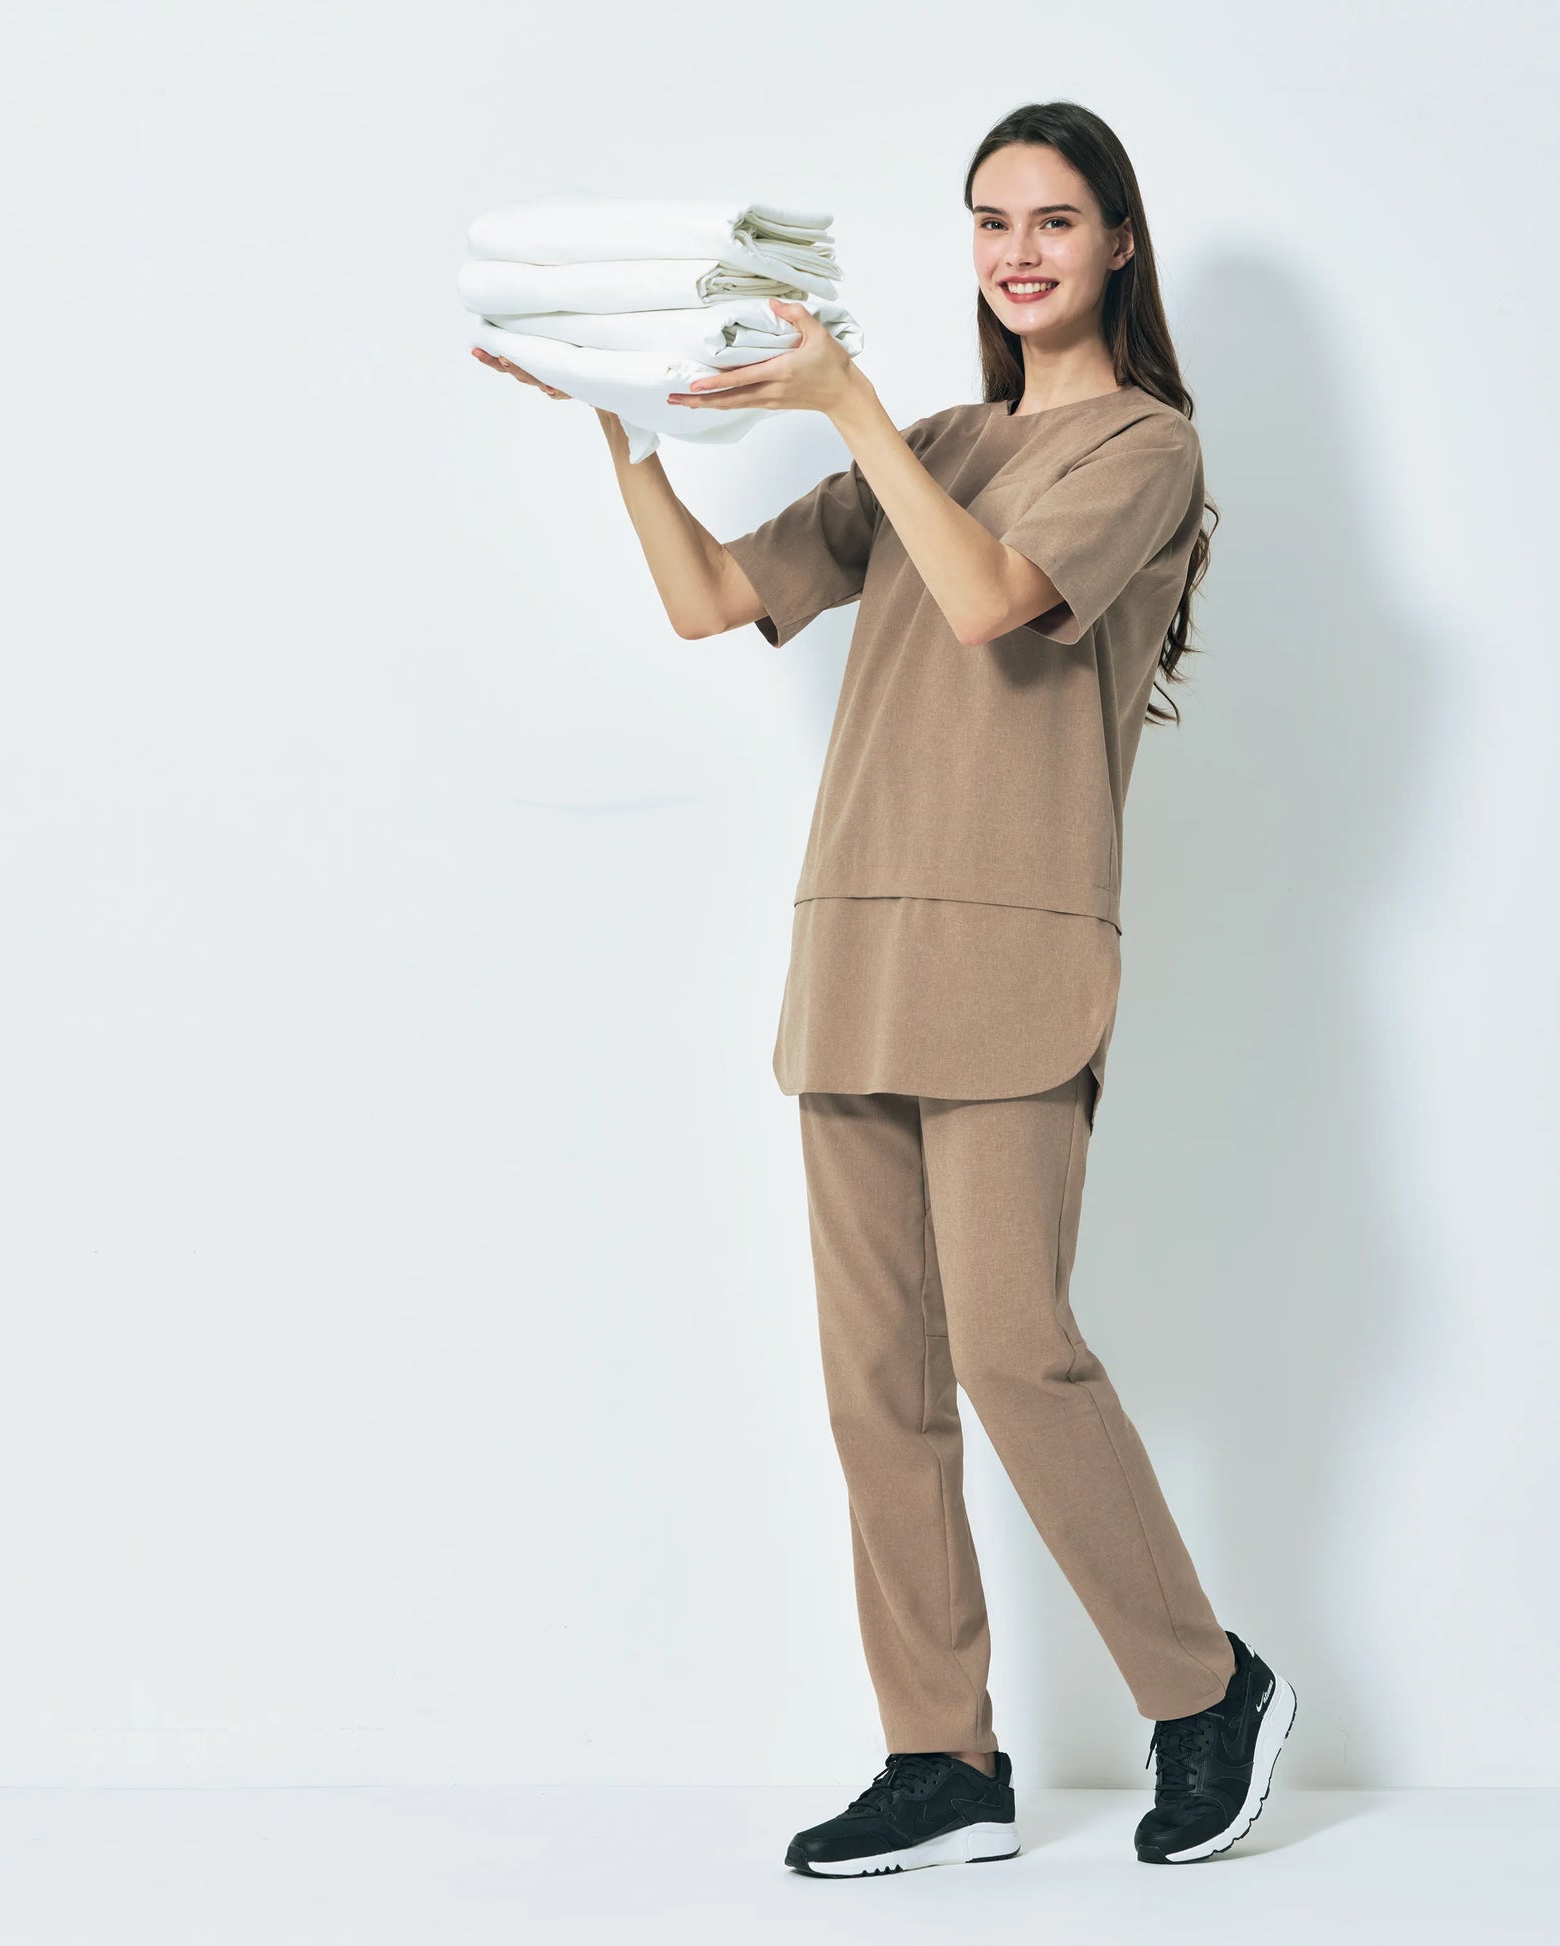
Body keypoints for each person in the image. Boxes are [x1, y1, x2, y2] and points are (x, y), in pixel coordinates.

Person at [473, 101, 1298, 1872]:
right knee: (876, 1382)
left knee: (1012, 1350)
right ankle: (942, 1757)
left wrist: (843, 402)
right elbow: (710, 599)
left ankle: (1204, 1686)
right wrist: (626, 430)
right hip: (855, 943)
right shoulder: (936, 438)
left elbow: (993, 599)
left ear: (1118, 243)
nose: (1017, 251)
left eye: (1053, 219)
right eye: (990, 219)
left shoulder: (1143, 448)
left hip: (1012, 948)